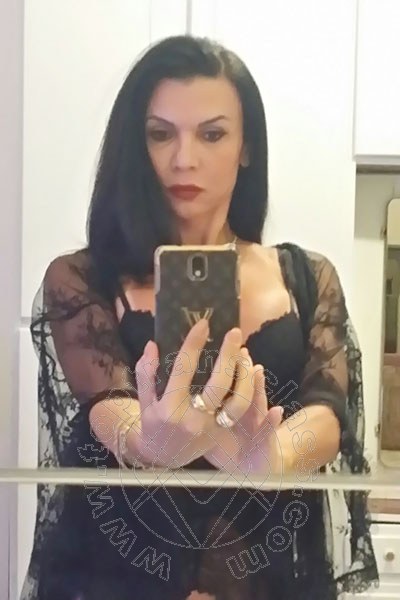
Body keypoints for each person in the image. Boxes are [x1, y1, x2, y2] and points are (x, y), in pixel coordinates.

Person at [21, 35, 378, 600]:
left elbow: (328, 413)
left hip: (264, 579)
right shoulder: (83, 278)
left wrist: (275, 456)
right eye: (160, 134)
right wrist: (148, 443)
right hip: (119, 577)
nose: (184, 159)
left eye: (212, 134)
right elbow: (106, 405)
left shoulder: (307, 278)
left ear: (246, 147)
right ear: (136, 144)